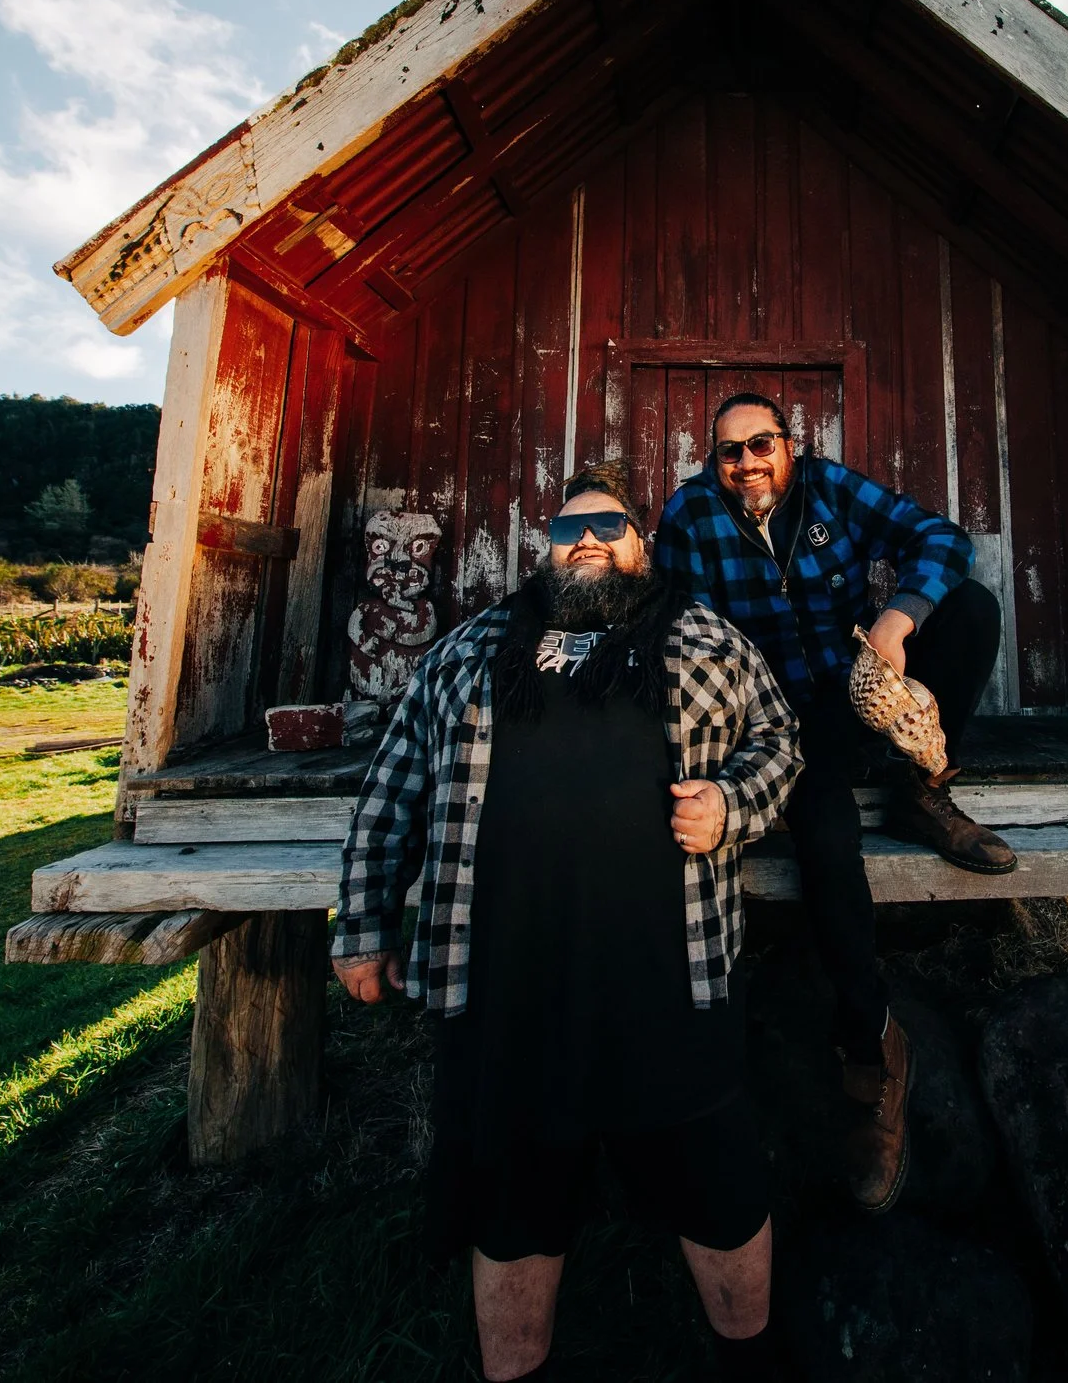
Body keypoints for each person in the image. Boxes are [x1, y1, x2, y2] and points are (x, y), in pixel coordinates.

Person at [334, 463, 802, 1383]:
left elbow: (781, 743)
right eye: (566, 527)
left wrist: (730, 802)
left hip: (672, 988)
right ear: (543, 549)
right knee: (513, 1215)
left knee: (719, 1195)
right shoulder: (468, 652)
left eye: (608, 524)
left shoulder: (707, 640)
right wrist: (364, 923)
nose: (585, 537)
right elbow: (392, 787)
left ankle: (753, 1367)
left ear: (642, 545)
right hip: (505, 995)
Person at [654, 394, 1006, 1213]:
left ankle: (923, 789)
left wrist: (897, 619)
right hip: (775, 721)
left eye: (762, 444)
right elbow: (672, 628)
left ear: (789, 444)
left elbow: (942, 538)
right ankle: (874, 1048)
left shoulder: (829, 487)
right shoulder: (690, 516)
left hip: (856, 689)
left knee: (971, 607)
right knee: (824, 838)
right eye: (730, 451)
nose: (747, 462)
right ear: (714, 459)